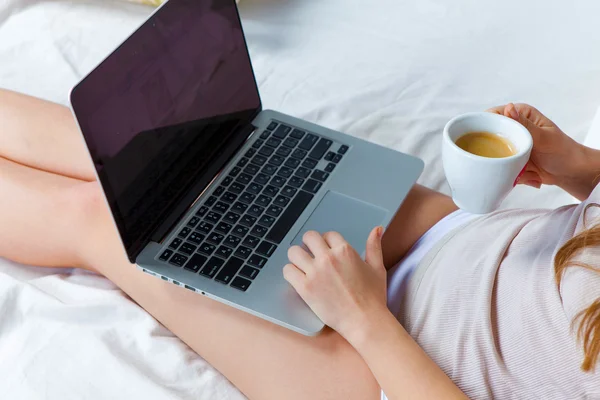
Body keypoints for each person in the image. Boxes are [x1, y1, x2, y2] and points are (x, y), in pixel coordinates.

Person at [1, 88, 599, 399]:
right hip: (451, 243)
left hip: (393, 372)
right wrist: (573, 163)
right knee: (177, 162)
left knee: (104, 223)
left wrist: (365, 318)